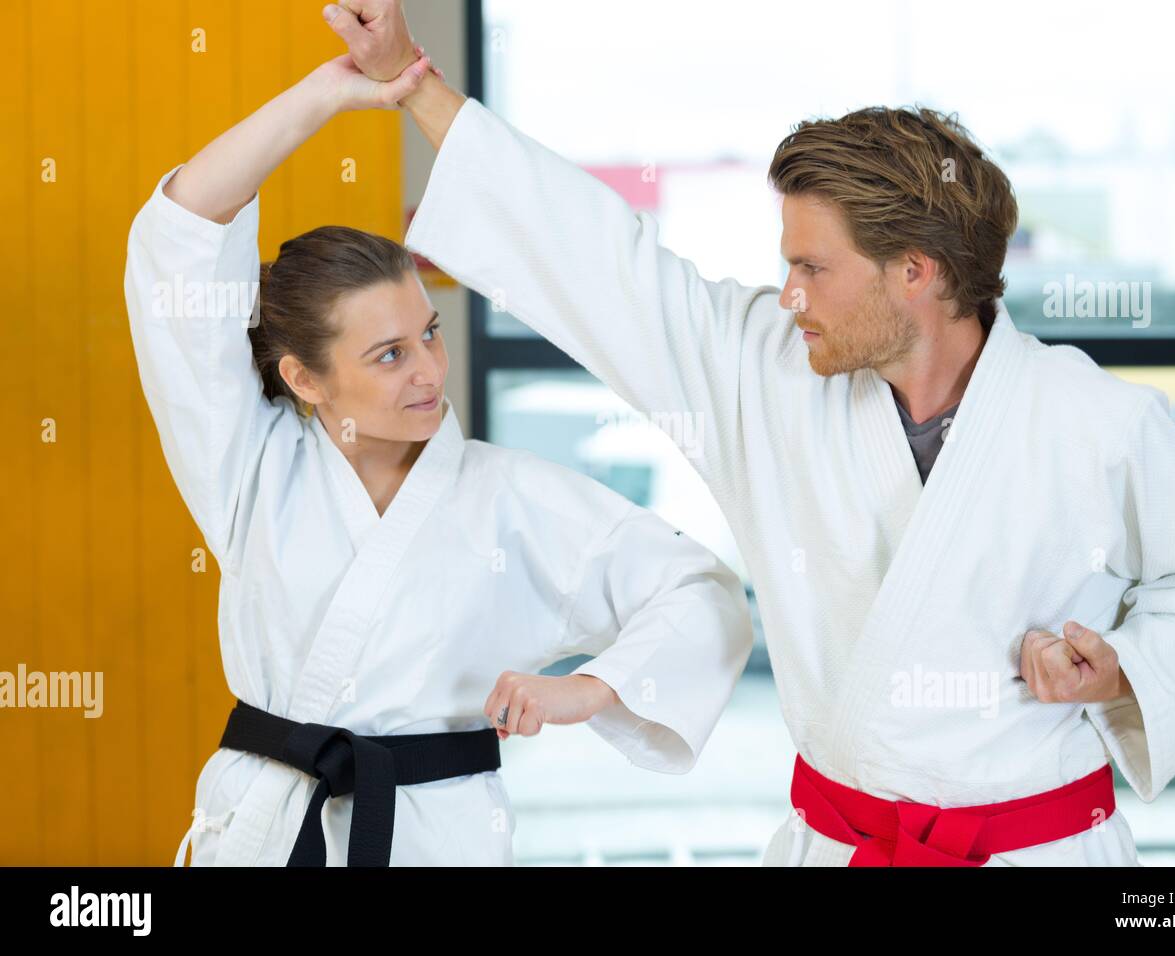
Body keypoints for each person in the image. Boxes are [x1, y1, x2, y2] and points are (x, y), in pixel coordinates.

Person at [324, 0, 1175, 866]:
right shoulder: (768, 372)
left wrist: (1123, 660)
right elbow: (597, 258)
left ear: (913, 271)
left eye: (811, 268)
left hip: (1041, 849)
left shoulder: (1096, 419)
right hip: (839, 843)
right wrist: (416, 86)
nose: (785, 294)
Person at [124, 51, 753, 867]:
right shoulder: (251, 466)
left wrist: (587, 689)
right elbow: (178, 241)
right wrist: (326, 95)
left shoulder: (510, 498)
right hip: (264, 831)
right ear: (304, 378)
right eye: (388, 355)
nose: (428, 369)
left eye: (428, 333)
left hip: (436, 837)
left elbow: (701, 592)